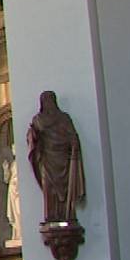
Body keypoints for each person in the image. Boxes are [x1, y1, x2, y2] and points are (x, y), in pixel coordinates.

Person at [27, 91, 85, 223]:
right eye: (46, 100)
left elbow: (72, 135)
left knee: (65, 189)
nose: (49, 103)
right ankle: (51, 216)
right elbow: (33, 138)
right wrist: (32, 134)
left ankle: (67, 214)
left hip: (63, 159)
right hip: (47, 160)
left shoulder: (64, 118)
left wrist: (74, 141)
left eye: (50, 100)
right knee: (49, 189)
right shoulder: (38, 119)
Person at [4, 155, 22, 245]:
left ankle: (21, 233)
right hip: (13, 190)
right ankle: (17, 234)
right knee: (15, 213)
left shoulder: (22, 163)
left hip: (18, 190)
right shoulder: (13, 164)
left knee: (19, 212)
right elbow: (6, 179)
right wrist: (6, 169)